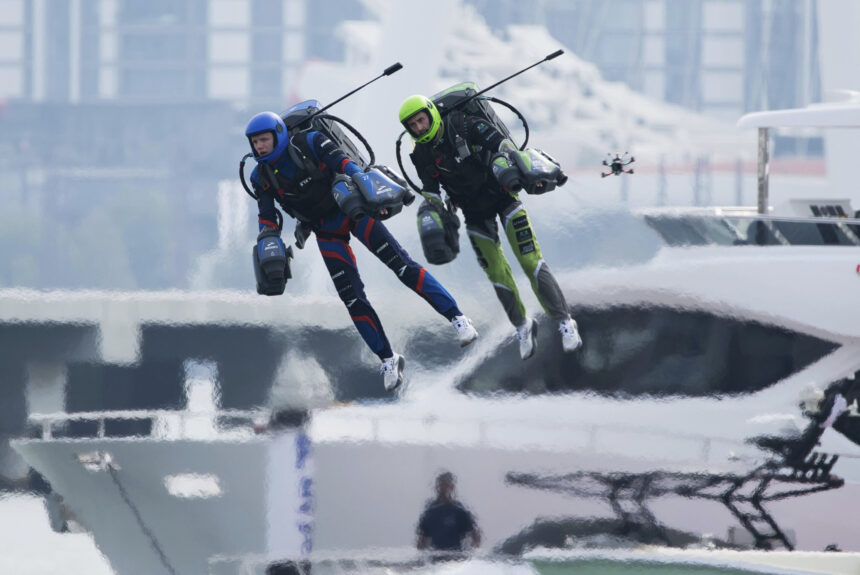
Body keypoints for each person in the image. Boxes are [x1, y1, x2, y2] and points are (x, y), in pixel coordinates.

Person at [244, 111, 478, 392]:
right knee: (352, 298)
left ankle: (458, 319)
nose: (259, 147)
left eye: (264, 140)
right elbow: (267, 216)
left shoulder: (310, 142)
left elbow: (345, 163)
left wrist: (370, 185)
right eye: (255, 142)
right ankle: (389, 360)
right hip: (325, 229)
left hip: (353, 210)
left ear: (278, 135)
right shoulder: (261, 176)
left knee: (402, 266)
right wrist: (267, 238)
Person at [398, 95, 582, 360]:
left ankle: (565, 322)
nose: (419, 128)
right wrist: (434, 212)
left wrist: (521, 164)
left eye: (421, 120)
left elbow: (501, 143)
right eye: (412, 125)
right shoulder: (420, 154)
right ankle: (522, 326)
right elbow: (430, 190)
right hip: (474, 213)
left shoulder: (462, 124)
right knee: (496, 273)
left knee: (530, 261)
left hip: (504, 197)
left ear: (430, 114)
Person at [416, 471, 481, 553]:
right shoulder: (430, 512)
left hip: (455, 559)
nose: (444, 488)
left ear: (452, 487)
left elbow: (475, 536)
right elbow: (421, 541)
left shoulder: (459, 511)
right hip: (435, 558)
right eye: (441, 485)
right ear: (437, 487)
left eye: (447, 485)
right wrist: (423, 559)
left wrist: (469, 555)